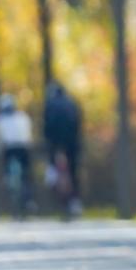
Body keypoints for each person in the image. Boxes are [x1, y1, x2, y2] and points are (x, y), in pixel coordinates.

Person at [0, 93, 36, 215]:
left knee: (8, 171)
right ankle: (29, 199)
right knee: (27, 174)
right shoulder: (23, 117)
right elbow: (29, 135)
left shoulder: (0, 120)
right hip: (24, 148)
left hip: (9, 150)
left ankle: (8, 180)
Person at [43, 81, 83, 217]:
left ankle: (63, 203)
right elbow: (78, 123)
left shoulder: (50, 105)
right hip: (73, 143)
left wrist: (49, 145)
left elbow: (48, 127)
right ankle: (75, 202)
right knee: (73, 171)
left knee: (55, 171)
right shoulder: (72, 103)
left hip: (57, 144)